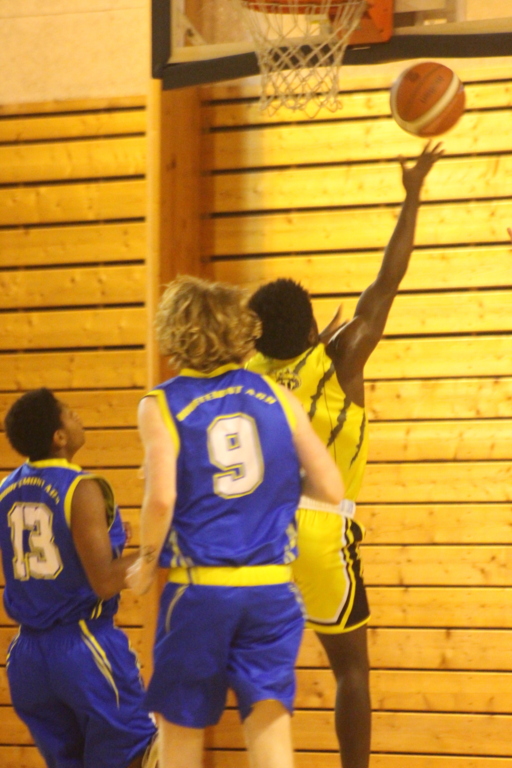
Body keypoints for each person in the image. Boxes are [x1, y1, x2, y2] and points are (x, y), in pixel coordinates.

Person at [246, 141, 444, 768]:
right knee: (351, 671)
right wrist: (412, 195)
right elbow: (387, 283)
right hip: (322, 529)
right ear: (312, 328)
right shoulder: (339, 358)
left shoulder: (245, 377)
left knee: (260, 671)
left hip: (257, 533)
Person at [126, 275, 347, 768]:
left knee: (181, 735)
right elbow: (332, 488)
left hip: (201, 591)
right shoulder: (277, 397)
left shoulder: (161, 403)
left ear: (173, 331)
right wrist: (277, 487)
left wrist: (146, 561)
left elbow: (161, 498)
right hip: (272, 590)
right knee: (270, 733)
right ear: (237, 329)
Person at [0, 388, 157, 768]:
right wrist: (160, 550)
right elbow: (104, 581)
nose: (79, 418)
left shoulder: (5, 490)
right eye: (70, 414)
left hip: (27, 657)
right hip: (83, 646)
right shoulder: (81, 486)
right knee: (138, 755)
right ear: (59, 436)